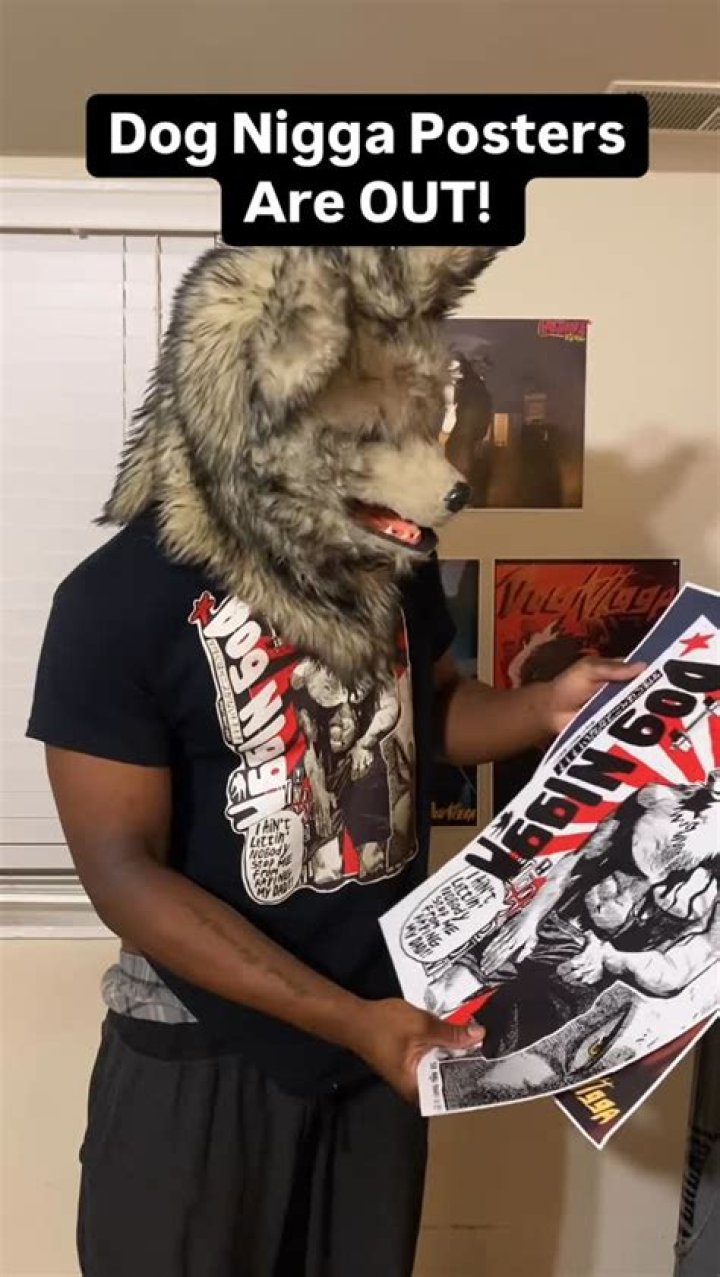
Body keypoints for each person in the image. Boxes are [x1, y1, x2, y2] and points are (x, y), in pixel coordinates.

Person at [27, 244, 642, 1277]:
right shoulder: (114, 601)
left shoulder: (391, 558)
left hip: (385, 1032)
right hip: (204, 1048)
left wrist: (544, 704)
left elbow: (431, 713)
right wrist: (348, 1020)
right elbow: (122, 872)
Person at [429, 772, 720, 1060]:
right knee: (443, 994)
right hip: (555, 922)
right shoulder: (654, 800)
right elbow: (576, 859)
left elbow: (680, 969)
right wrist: (529, 919)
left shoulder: (709, 884)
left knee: (474, 1044)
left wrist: (609, 957)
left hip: (588, 970)